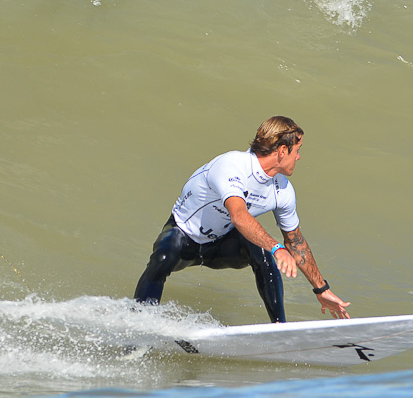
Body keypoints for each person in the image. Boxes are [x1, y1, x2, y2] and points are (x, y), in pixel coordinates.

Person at [134, 116, 350, 322]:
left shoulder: (282, 190)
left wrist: (321, 289)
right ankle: (140, 323)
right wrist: (278, 248)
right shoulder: (232, 165)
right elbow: (238, 216)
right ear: (283, 151)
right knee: (164, 256)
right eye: (298, 151)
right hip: (183, 237)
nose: (299, 157)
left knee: (263, 255)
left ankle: (279, 327)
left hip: (220, 245)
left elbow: (295, 242)